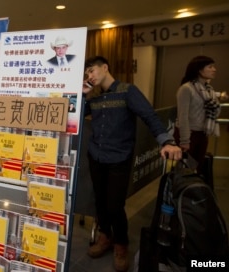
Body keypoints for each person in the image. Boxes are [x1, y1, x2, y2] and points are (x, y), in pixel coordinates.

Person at [82, 56, 182, 271]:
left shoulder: (128, 91)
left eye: (92, 70)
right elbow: (74, 115)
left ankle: (120, 244)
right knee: (100, 201)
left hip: (119, 157)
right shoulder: (95, 98)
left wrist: (167, 141)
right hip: (96, 156)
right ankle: (105, 236)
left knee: (114, 205)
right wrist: (82, 96)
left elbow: (149, 116)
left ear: (105, 67)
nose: (89, 76)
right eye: (87, 73)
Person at [174, 55, 227, 174]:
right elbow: (183, 116)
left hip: (202, 134)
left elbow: (208, 97)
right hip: (189, 135)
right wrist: (185, 140)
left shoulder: (208, 88)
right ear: (199, 70)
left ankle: (193, 191)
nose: (214, 69)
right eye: (210, 67)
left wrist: (221, 96)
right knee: (184, 169)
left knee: (197, 168)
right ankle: (180, 191)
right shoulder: (186, 88)